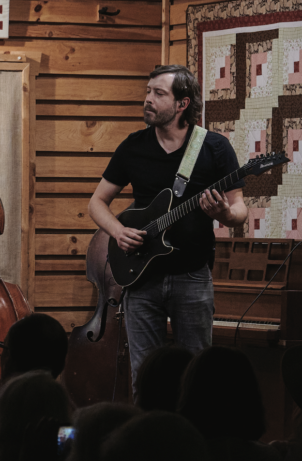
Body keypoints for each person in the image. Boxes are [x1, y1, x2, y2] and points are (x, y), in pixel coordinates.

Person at [88, 64, 247, 388]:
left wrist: (224, 215)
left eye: (158, 93)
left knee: (198, 376)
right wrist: (118, 231)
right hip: (141, 278)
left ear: (182, 104)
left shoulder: (214, 147)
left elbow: (240, 209)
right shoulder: (133, 146)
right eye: (148, 92)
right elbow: (96, 203)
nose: (148, 99)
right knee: (145, 377)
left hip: (192, 276)